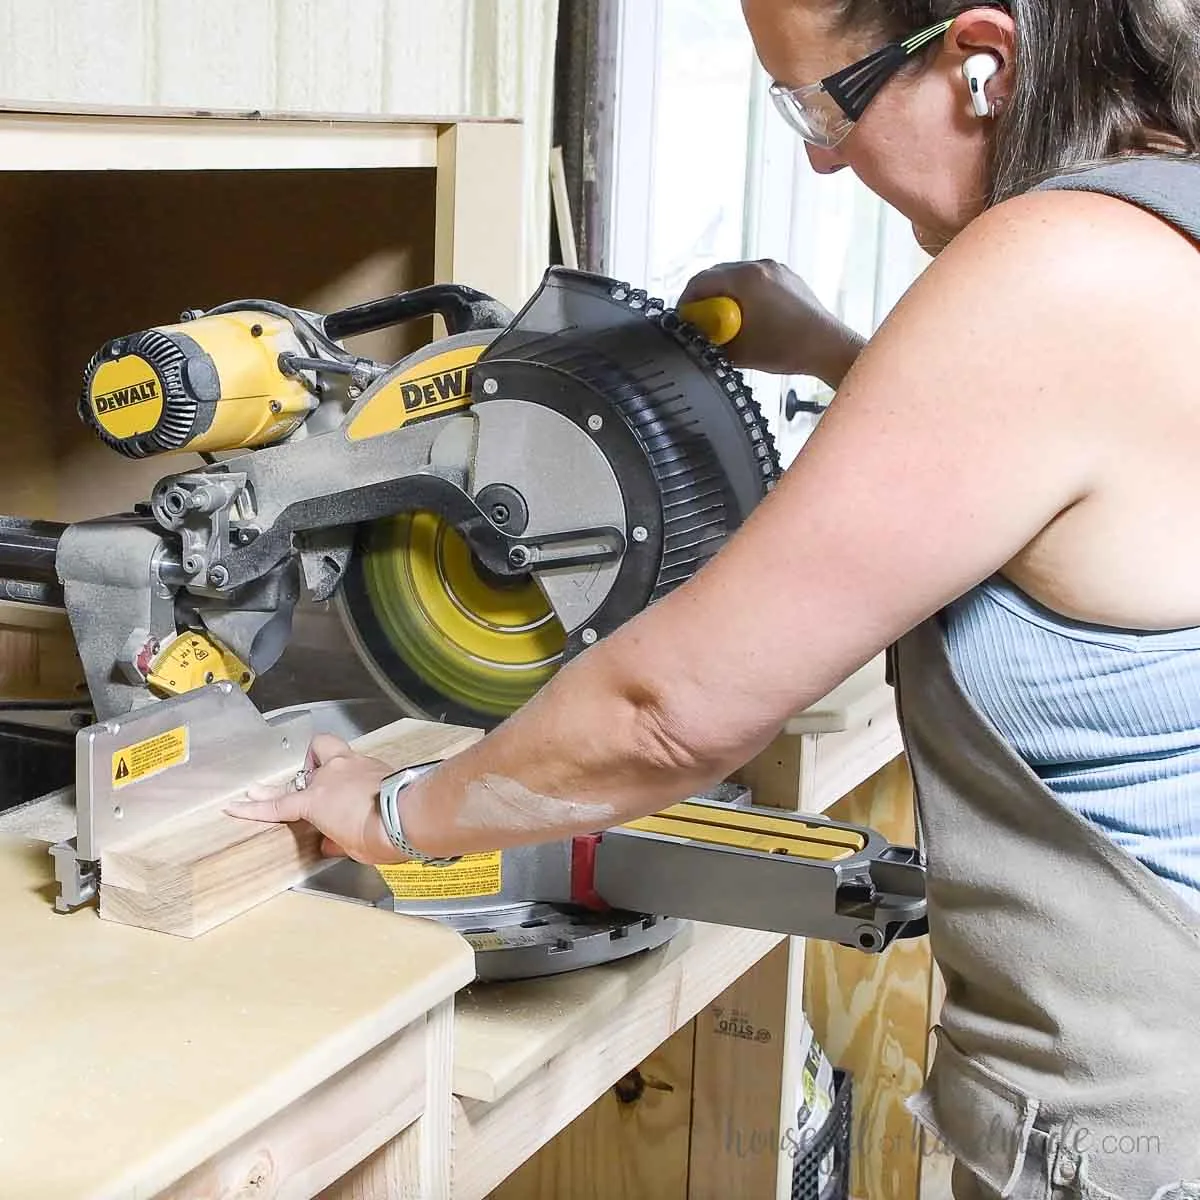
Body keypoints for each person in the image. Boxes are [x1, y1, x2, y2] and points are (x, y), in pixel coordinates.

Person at [231, 3, 1200, 1196]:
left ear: (979, 58)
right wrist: (848, 356)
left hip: (1134, 1130)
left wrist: (393, 812)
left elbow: (665, 714)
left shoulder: (1054, 263)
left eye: (823, 103)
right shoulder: (1165, 224)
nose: (819, 157)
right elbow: (1090, 472)